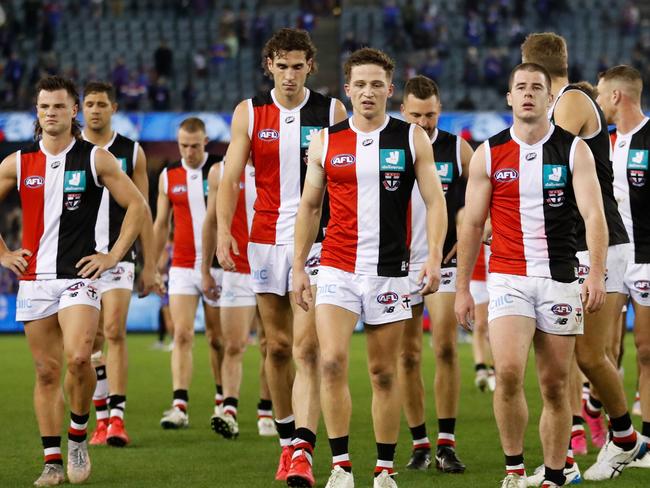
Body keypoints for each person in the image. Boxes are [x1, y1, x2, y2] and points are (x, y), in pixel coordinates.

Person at [293, 47, 446, 488]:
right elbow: (309, 206)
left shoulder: (411, 138)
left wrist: (433, 255)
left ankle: (383, 469)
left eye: (376, 84)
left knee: (383, 372)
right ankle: (341, 467)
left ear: (389, 90)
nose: (367, 91)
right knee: (332, 362)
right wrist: (300, 267)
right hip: (337, 267)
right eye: (359, 84)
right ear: (347, 89)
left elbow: (435, 202)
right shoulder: (326, 140)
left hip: (390, 271)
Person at [454, 63, 607, 488]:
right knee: (506, 372)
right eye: (519, 87)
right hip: (508, 277)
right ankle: (515, 470)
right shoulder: (489, 153)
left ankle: (556, 474)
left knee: (556, 384)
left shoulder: (574, 150)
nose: (527, 94)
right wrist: (463, 287)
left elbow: (594, 214)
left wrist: (595, 273)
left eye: (535, 88)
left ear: (547, 97)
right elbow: (470, 224)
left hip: (559, 277)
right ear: (509, 97)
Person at [0, 75, 146, 486]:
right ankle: (51, 461)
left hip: (78, 278)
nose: (51, 113)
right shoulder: (18, 161)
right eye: (44, 107)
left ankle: (78, 435)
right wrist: (5, 254)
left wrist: (113, 255)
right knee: (46, 373)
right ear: (37, 112)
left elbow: (136, 206)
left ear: (73, 111)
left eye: (59, 106)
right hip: (33, 280)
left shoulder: (96, 158)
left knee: (80, 357)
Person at [217, 28, 347, 486]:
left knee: (307, 348)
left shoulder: (331, 111)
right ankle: (287, 441)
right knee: (275, 347)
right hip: (263, 238)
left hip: (315, 242)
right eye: (281, 65)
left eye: (298, 66)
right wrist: (221, 232)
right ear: (268, 64)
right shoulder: (249, 113)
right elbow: (230, 175)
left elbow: (343, 177)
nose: (290, 74)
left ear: (310, 65)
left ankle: (305, 453)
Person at [522, 33, 642, 481]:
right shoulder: (568, 100)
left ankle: (627, 438)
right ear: (565, 60)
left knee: (590, 356)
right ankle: (565, 461)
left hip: (601, 243)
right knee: (565, 359)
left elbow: (542, 155)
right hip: (571, 243)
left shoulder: (570, 102)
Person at [397, 74, 472, 473]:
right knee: (407, 355)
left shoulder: (457, 149)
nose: (424, 123)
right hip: (397, 263)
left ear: (439, 111)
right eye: (416, 115)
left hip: (443, 262)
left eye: (431, 115)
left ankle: (446, 443)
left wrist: (471, 236)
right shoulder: (390, 143)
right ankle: (419, 443)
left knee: (444, 347)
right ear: (403, 111)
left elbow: (487, 195)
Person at [81, 81, 157, 448]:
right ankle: (100, 417)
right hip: (77, 259)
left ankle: (117, 419)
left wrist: (151, 265)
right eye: (89, 104)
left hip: (119, 256)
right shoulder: (70, 150)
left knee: (113, 331)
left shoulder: (131, 152)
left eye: (101, 104)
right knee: (89, 340)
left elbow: (142, 211)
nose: (94, 110)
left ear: (113, 108)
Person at [153, 117, 224, 429]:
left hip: (218, 267)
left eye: (195, 145)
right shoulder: (168, 177)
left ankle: (224, 401)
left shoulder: (220, 170)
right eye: (184, 145)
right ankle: (179, 405)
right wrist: (155, 265)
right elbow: (161, 223)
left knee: (217, 339)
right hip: (181, 265)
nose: (189, 151)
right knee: (181, 334)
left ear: (205, 142)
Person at [597, 64, 650, 469]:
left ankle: (645, 443)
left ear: (617, 95)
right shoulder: (603, 145)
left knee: (646, 352)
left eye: (601, 94)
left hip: (648, 258)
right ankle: (617, 437)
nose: (598, 101)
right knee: (601, 352)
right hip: (614, 258)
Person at [202, 157, 259, 439]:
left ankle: (268, 411)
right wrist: (205, 270)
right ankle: (230, 411)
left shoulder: (282, 159)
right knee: (233, 345)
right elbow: (211, 222)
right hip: (236, 270)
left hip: (275, 267)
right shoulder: (220, 171)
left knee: (278, 346)